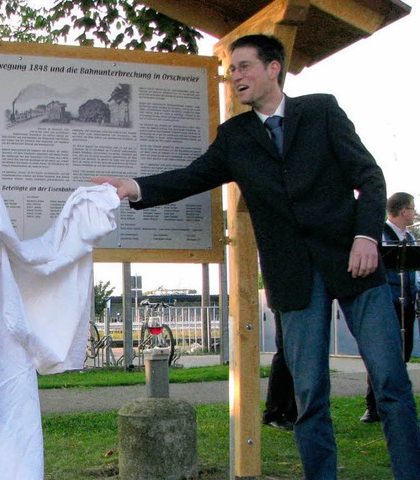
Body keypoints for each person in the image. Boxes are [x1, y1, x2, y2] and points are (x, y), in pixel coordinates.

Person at [91, 34, 420, 479]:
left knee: (392, 385)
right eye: (231, 69)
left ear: (273, 68)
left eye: (243, 66)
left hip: (355, 265)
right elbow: (193, 176)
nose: (235, 76)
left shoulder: (322, 111)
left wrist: (366, 235)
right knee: (308, 394)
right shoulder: (235, 137)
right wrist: (134, 187)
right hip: (293, 279)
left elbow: (369, 176)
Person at [360, 192, 419, 423]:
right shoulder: (381, 235)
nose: (414, 213)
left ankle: (396, 404)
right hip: (388, 302)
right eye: (412, 208)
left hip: (407, 302)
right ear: (403, 210)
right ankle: (373, 406)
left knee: (403, 354)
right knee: (382, 353)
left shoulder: (411, 238)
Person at [262, 311, 297, 431]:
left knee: (290, 352)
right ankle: (275, 413)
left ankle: (290, 412)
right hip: (285, 300)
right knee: (285, 351)